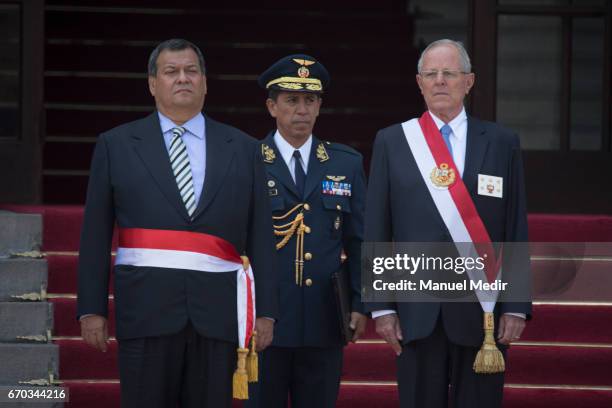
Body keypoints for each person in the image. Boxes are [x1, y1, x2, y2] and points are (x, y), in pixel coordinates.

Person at [76, 38, 278, 408]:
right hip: (146, 309)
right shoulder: (116, 145)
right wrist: (92, 308)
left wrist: (264, 310)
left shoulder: (244, 148)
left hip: (217, 313)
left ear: (204, 82)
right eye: (171, 72)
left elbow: (262, 235)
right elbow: (95, 233)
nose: (182, 79)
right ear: (153, 84)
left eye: (191, 71)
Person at [365, 39, 531, 408]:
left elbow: (514, 225)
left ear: (468, 82)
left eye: (449, 74)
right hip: (416, 309)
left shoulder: (502, 143)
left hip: (481, 309)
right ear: (419, 83)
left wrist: (516, 304)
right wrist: (381, 306)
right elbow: (376, 226)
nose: (440, 81)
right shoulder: (393, 141)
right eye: (431, 74)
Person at [249, 54, 368, 408]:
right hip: (266, 318)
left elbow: (360, 240)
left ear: (319, 106)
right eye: (291, 100)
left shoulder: (346, 163)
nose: (301, 109)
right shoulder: (249, 159)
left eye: (310, 100)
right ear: (272, 106)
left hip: (324, 319)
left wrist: (362, 303)